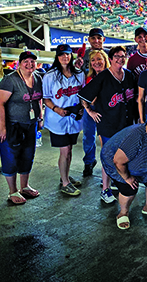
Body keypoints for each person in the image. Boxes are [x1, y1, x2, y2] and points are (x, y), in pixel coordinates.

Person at [101, 111, 147, 229]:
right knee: (130, 187)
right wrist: (127, 178)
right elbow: (118, 161)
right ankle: (123, 212)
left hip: (143, 164)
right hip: (115, 160)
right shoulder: (136, 136)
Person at [0, 51, 43, 205]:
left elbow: (38, 99)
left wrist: (40, 117)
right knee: (11, 156)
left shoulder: (38, 78)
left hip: (31, 123)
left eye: (32, 61)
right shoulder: (10, 80)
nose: (29, 64)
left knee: (28, 154)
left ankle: (24, 186)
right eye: (26, 61)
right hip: (12, 124)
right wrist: (2, 127)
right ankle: (12, 191)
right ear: (19, 63)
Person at [42, 44, 86, 196]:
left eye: (67, 54)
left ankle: (65, 176)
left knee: (70, 149)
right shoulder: (50, 75)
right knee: (65, 151)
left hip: (73, 117)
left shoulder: (79, 74)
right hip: (57, 119)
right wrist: (56, 109)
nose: (65, 57)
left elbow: (82, 93)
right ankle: (65, 183)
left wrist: (81, 107)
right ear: (57, 57)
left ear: (71, 56)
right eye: (61, 55)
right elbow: (46, 98)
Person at [78, 45, 137, 148]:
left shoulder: (129, 75)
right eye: (117, 56)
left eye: (123, 56)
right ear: (110, 59)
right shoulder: (102, 76)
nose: (120, 59)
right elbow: (84, 96)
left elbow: (135, 95)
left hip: (126, 124)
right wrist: (90, 111)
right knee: (109, 156)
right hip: (108, 126)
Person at [84, 50, 116, 203]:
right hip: (102, 119)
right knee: (107, 153)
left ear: (105, 60)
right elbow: (84, 96)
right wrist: (90, 111)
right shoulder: (92, 78)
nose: (96, 62)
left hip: (117, 119)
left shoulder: (114, 74)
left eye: (99, 59)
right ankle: (105, 188)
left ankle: (113, 181)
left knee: (117, 153)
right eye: (93, 60)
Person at [78, 27, 108, 177]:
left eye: (99, 38)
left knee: (106, 138)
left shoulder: (109, 54)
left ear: (103, 39)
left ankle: (107, 166)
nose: (96, 41)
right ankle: (89, 161)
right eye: (93, 38)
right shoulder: (82, 56)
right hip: (89, 104)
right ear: (89, 40)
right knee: (88, 136)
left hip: (107, 105)